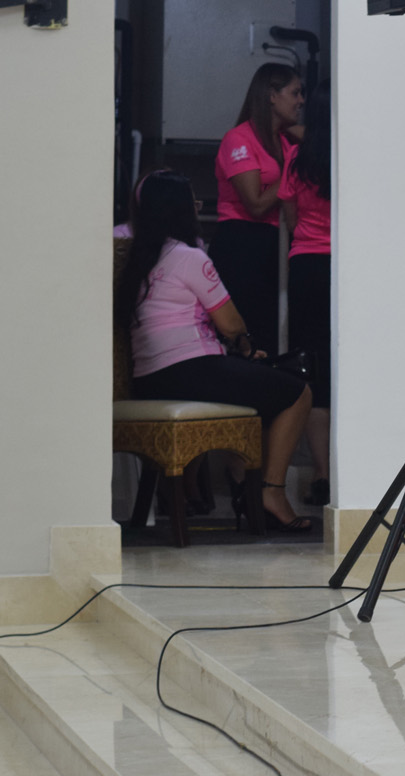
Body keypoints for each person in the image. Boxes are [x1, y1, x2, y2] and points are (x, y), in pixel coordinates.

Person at [117, 170, 317, 535]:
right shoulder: (188, 256)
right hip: (190, 369)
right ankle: (271, 492)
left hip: (149, 379)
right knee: (297, 393)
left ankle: (248, 487)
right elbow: (231, 324)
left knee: (259, 389)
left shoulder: (138, 259)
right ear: (182, 210)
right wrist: (247, 348)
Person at [210, 62, 303, 352]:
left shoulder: (285, 142)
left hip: (275, 244)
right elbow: (256, 204)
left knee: (272, 333)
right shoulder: (239, 139)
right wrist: (292, 167)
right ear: (272, 95)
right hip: (242, 244)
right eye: (295, 93)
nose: (301, 101)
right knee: (246, 336)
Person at [279, 90, 333, 507]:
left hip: (306, 266)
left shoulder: (297, 160)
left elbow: (291, 218)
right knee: (343, 366)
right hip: (345, 268)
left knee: (311, 370)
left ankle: (322, 473)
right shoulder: (350, 160)